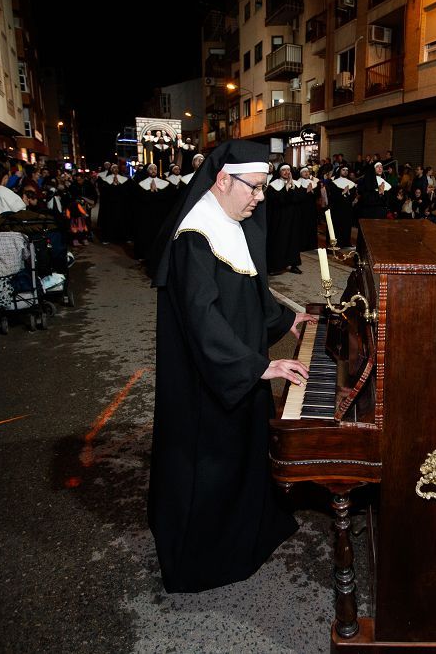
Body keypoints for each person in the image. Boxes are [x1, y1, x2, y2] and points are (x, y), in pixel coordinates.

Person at [148, 140, 315, 593]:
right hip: (209, 379)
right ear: (223, 180)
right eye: (255, 188)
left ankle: (248, 531)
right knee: (213, 463)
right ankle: (207, 558)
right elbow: (204, 320)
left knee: (245, 452)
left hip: (237, 368)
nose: (261, 197)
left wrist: (289, 320)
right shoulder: (194, 237)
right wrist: (257, 368)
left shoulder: (232, 220)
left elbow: (249, 296)